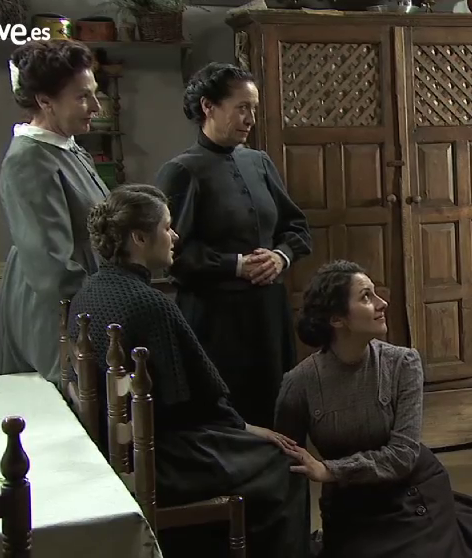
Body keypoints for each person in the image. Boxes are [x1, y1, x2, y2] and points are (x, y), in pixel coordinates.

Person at [67, 184, 309, 558]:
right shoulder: (150, 304)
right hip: (159, 460)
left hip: (114, 448)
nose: (175, 236)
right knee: (286, 462)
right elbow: (198, 402)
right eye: (166, 227)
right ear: (139, 238)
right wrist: (251, 429)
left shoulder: (89, 290)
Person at [274, 260, 472, 558]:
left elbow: (403, 455)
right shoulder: (299, 383)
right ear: (337, 319)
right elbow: (288, 468)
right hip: (351, 508)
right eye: (366, 297)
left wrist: (330, 470)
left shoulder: (403, 363)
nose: (382, 303)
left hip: (410, 494)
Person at [155, 62, 312, 430]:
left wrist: (281, 256)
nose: (250, 119)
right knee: (229, 419)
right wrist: (236, 265)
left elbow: (297, 228)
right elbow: (173, 256)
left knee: (279, 412)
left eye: (253, 108)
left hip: (269, 316)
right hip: (216, 321)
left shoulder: (259, 163)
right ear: (208, 106)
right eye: (242, 108)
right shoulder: (181, 171)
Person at [0, 40, 109, 384]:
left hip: (85, 291)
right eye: (82, 97)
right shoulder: (29, 158)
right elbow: (50, 264)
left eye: (94, 94)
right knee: (69, 396)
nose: (96, 106)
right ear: (44, 101)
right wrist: (109, 300)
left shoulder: (70, 149)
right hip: (55, 307)